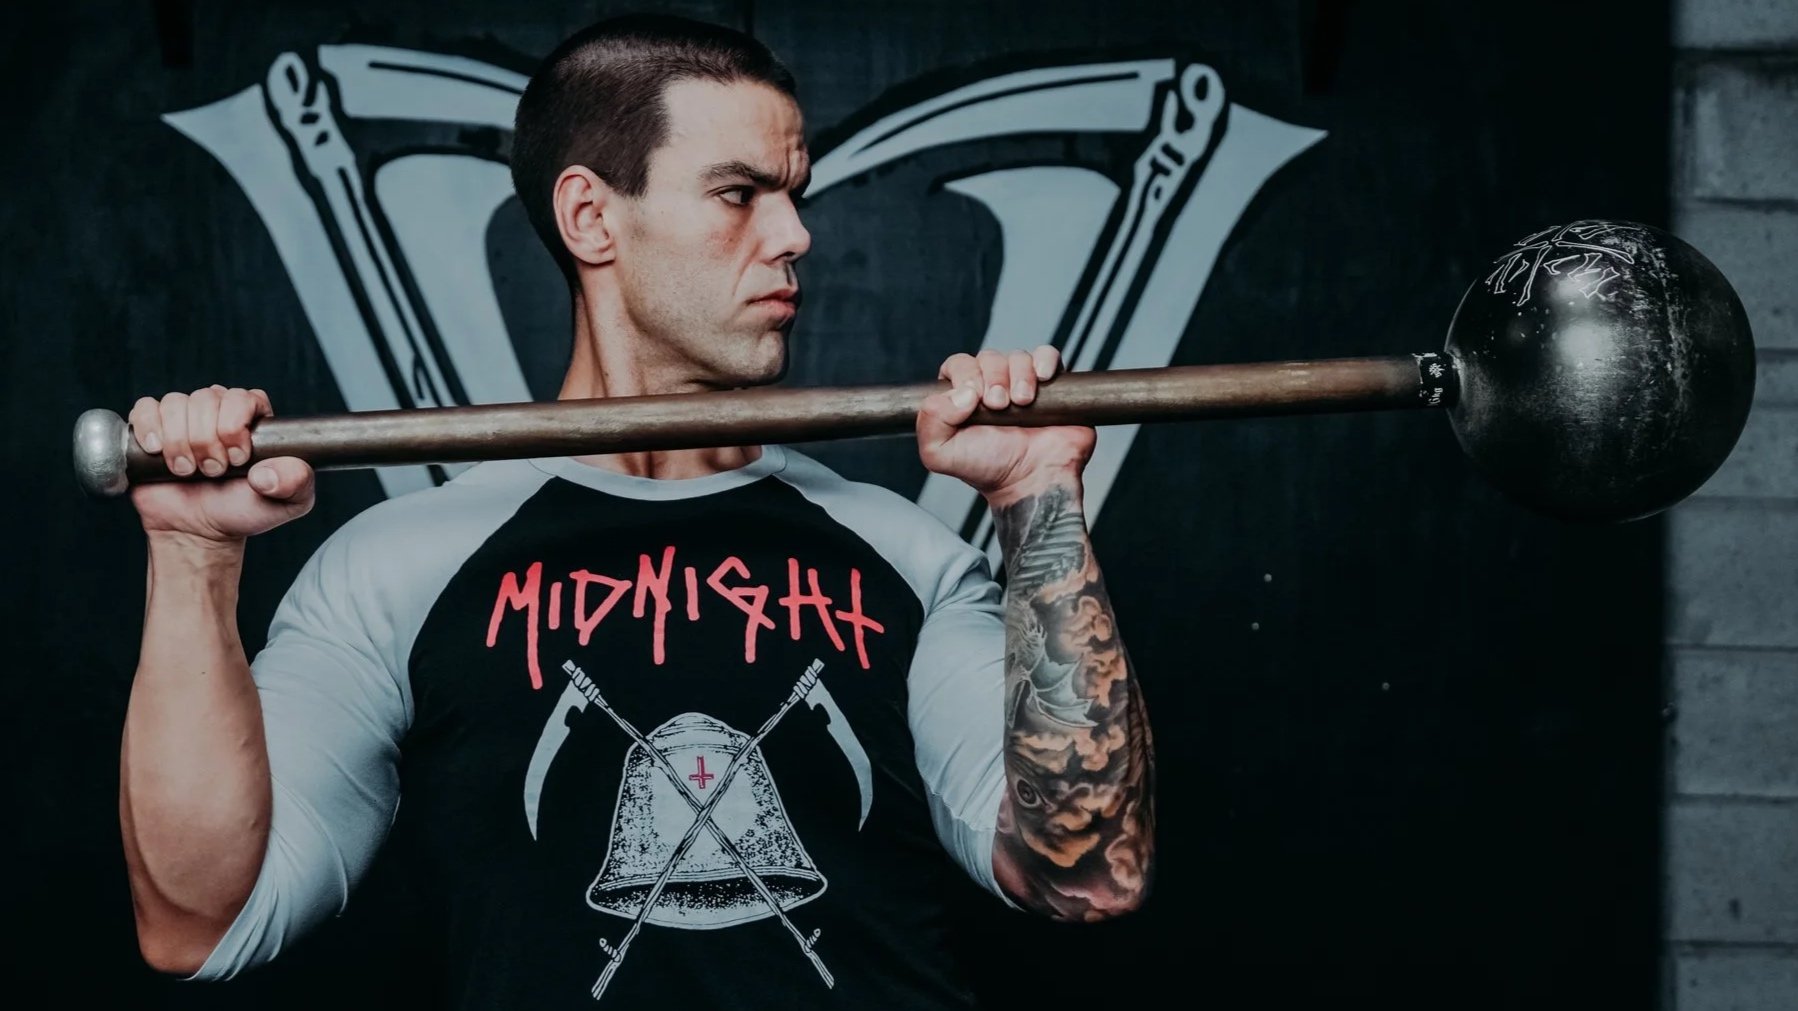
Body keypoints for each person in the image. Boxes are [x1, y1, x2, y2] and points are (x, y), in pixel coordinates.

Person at [119, 13, 1154, 1008]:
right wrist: (191, 553)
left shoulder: (903, 553)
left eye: (794, 194)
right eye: (739, 192)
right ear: (590, 216)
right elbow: (196, 922)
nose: (795, 234)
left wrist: (1036, 503)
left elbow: (1086, 870)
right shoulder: (398, 568)